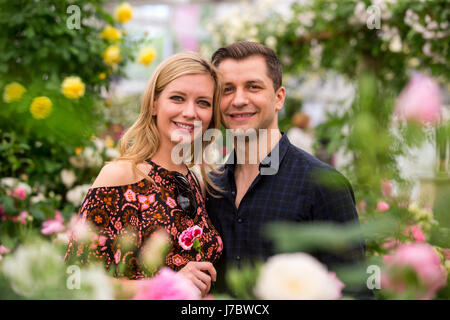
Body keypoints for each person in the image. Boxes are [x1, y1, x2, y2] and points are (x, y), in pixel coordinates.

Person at [205, 41, 372, 299]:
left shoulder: (323, 185)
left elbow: (356, 291)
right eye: (227, 89)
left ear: (279, 97)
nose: (238, 100)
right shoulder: (212, 186)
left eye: (253, 87)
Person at [65, 52, 223, 298]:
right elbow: (75, 281)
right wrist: (167, 286)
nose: (191, 112)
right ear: (154, 104)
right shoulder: (121, 176)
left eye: (203, 102)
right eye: (178, 98)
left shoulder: (195, 182)